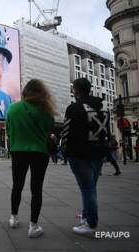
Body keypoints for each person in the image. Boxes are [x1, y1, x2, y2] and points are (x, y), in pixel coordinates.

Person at [6, 79, 56, 238]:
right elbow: (49, 133)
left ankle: (13, 218)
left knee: (17, 185)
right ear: (42, 93)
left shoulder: (13, 108)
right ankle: (33, 226)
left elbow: (8, 131)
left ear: (25, 92)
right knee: (36, 189)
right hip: (40, 153)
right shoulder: (46, 111)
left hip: (18, 151)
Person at [61, 78, 109, 237]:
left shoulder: (73, 108)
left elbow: (66, 132)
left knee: (87, 189)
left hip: (79, 154)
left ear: (77, 90)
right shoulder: (102, 109)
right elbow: (105, 133)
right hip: (97, 153)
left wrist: (64, 152)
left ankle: (91, 223)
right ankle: (86, 216)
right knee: (90, 187)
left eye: (74, 89)